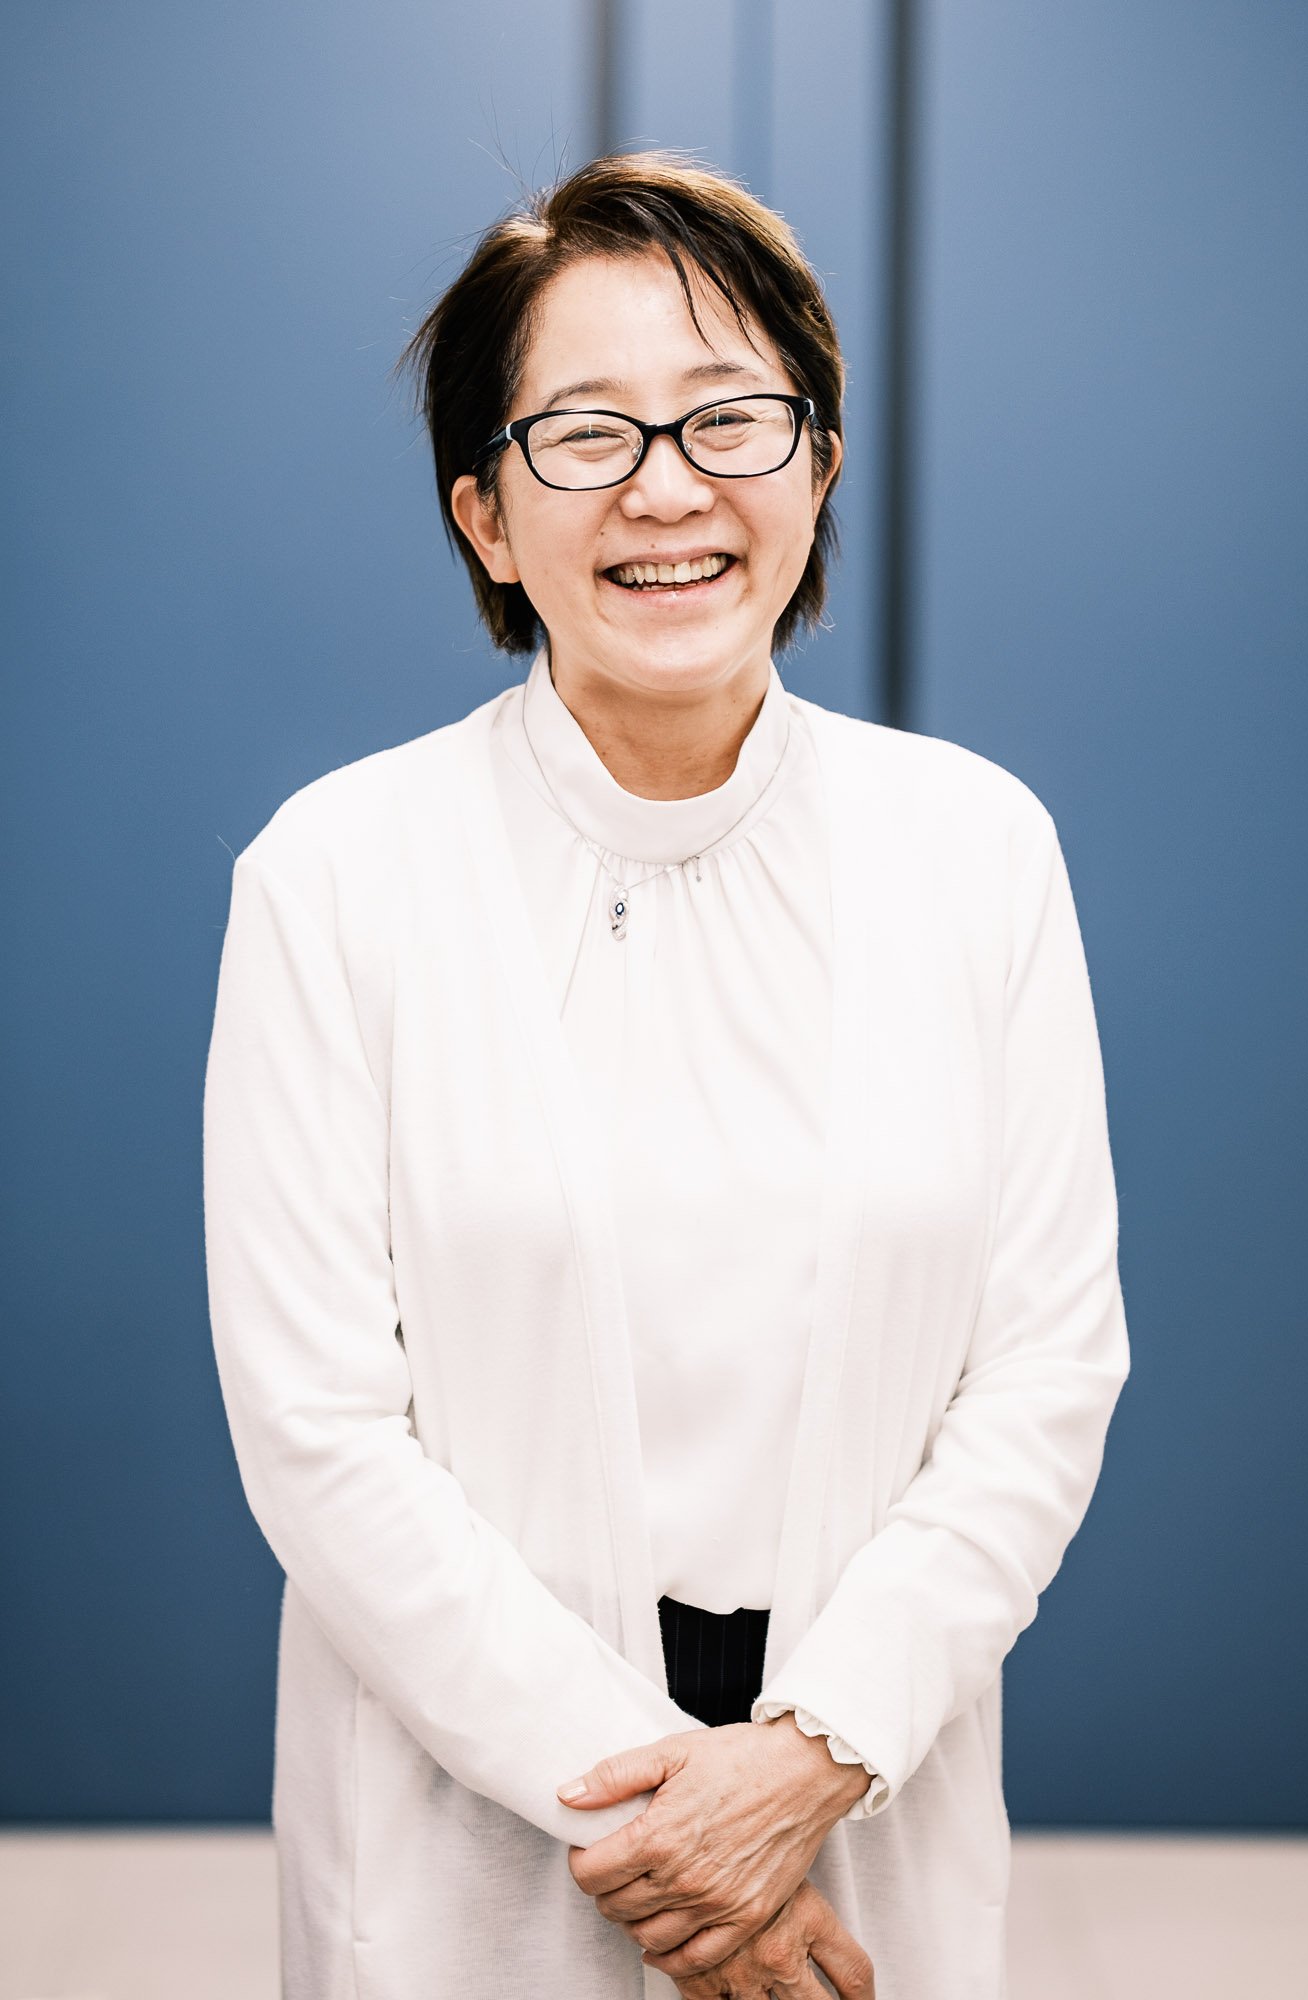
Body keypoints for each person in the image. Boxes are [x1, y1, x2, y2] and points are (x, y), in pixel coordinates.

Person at [202, 150, 1130, 2000]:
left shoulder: (978, 851)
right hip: (474, 1832)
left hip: (863, 1796)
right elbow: (321, 1440)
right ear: (483, 513)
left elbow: (1045, 1374)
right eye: (587, 436)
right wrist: (675, 1835)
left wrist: (806, 1766)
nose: (669, 490)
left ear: (820, 465)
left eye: (731, 420)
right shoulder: (337, 872)